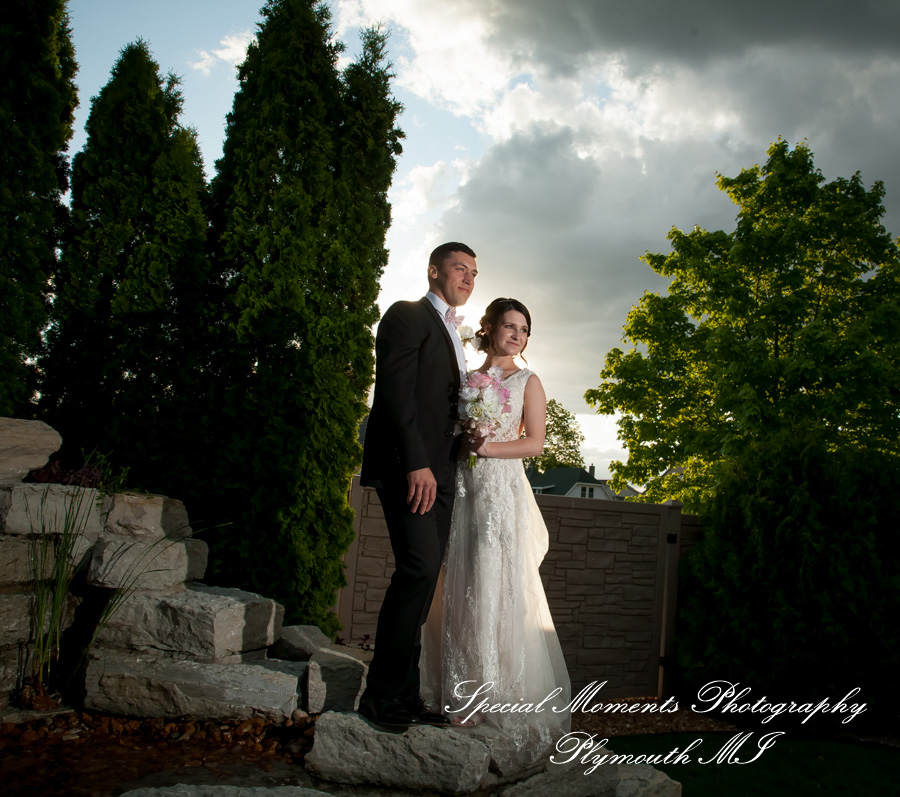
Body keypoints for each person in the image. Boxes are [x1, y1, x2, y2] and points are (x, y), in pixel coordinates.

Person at [421, 297, 571, 767]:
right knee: (458, 583)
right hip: (463, 490)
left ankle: (492, 694)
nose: (517, 335)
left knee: (493, 584)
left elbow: (535, 442)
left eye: (524, 329)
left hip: (501, 493)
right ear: (488, 328)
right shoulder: (467, 378)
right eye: (509, 326)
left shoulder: (529, 381)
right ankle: (454, 690)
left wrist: (487, 448)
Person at [358, 242, 478, 728]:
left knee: (425, 579)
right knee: (417, 569)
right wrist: (415, 463)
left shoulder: (455, 332)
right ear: (433, 271)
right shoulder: (406, 315)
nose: (468, 278)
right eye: (459, 268)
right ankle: (381, 696)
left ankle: (406, 695)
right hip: (411, 469)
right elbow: (394, 393)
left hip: (443, 472)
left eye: (474, 272)